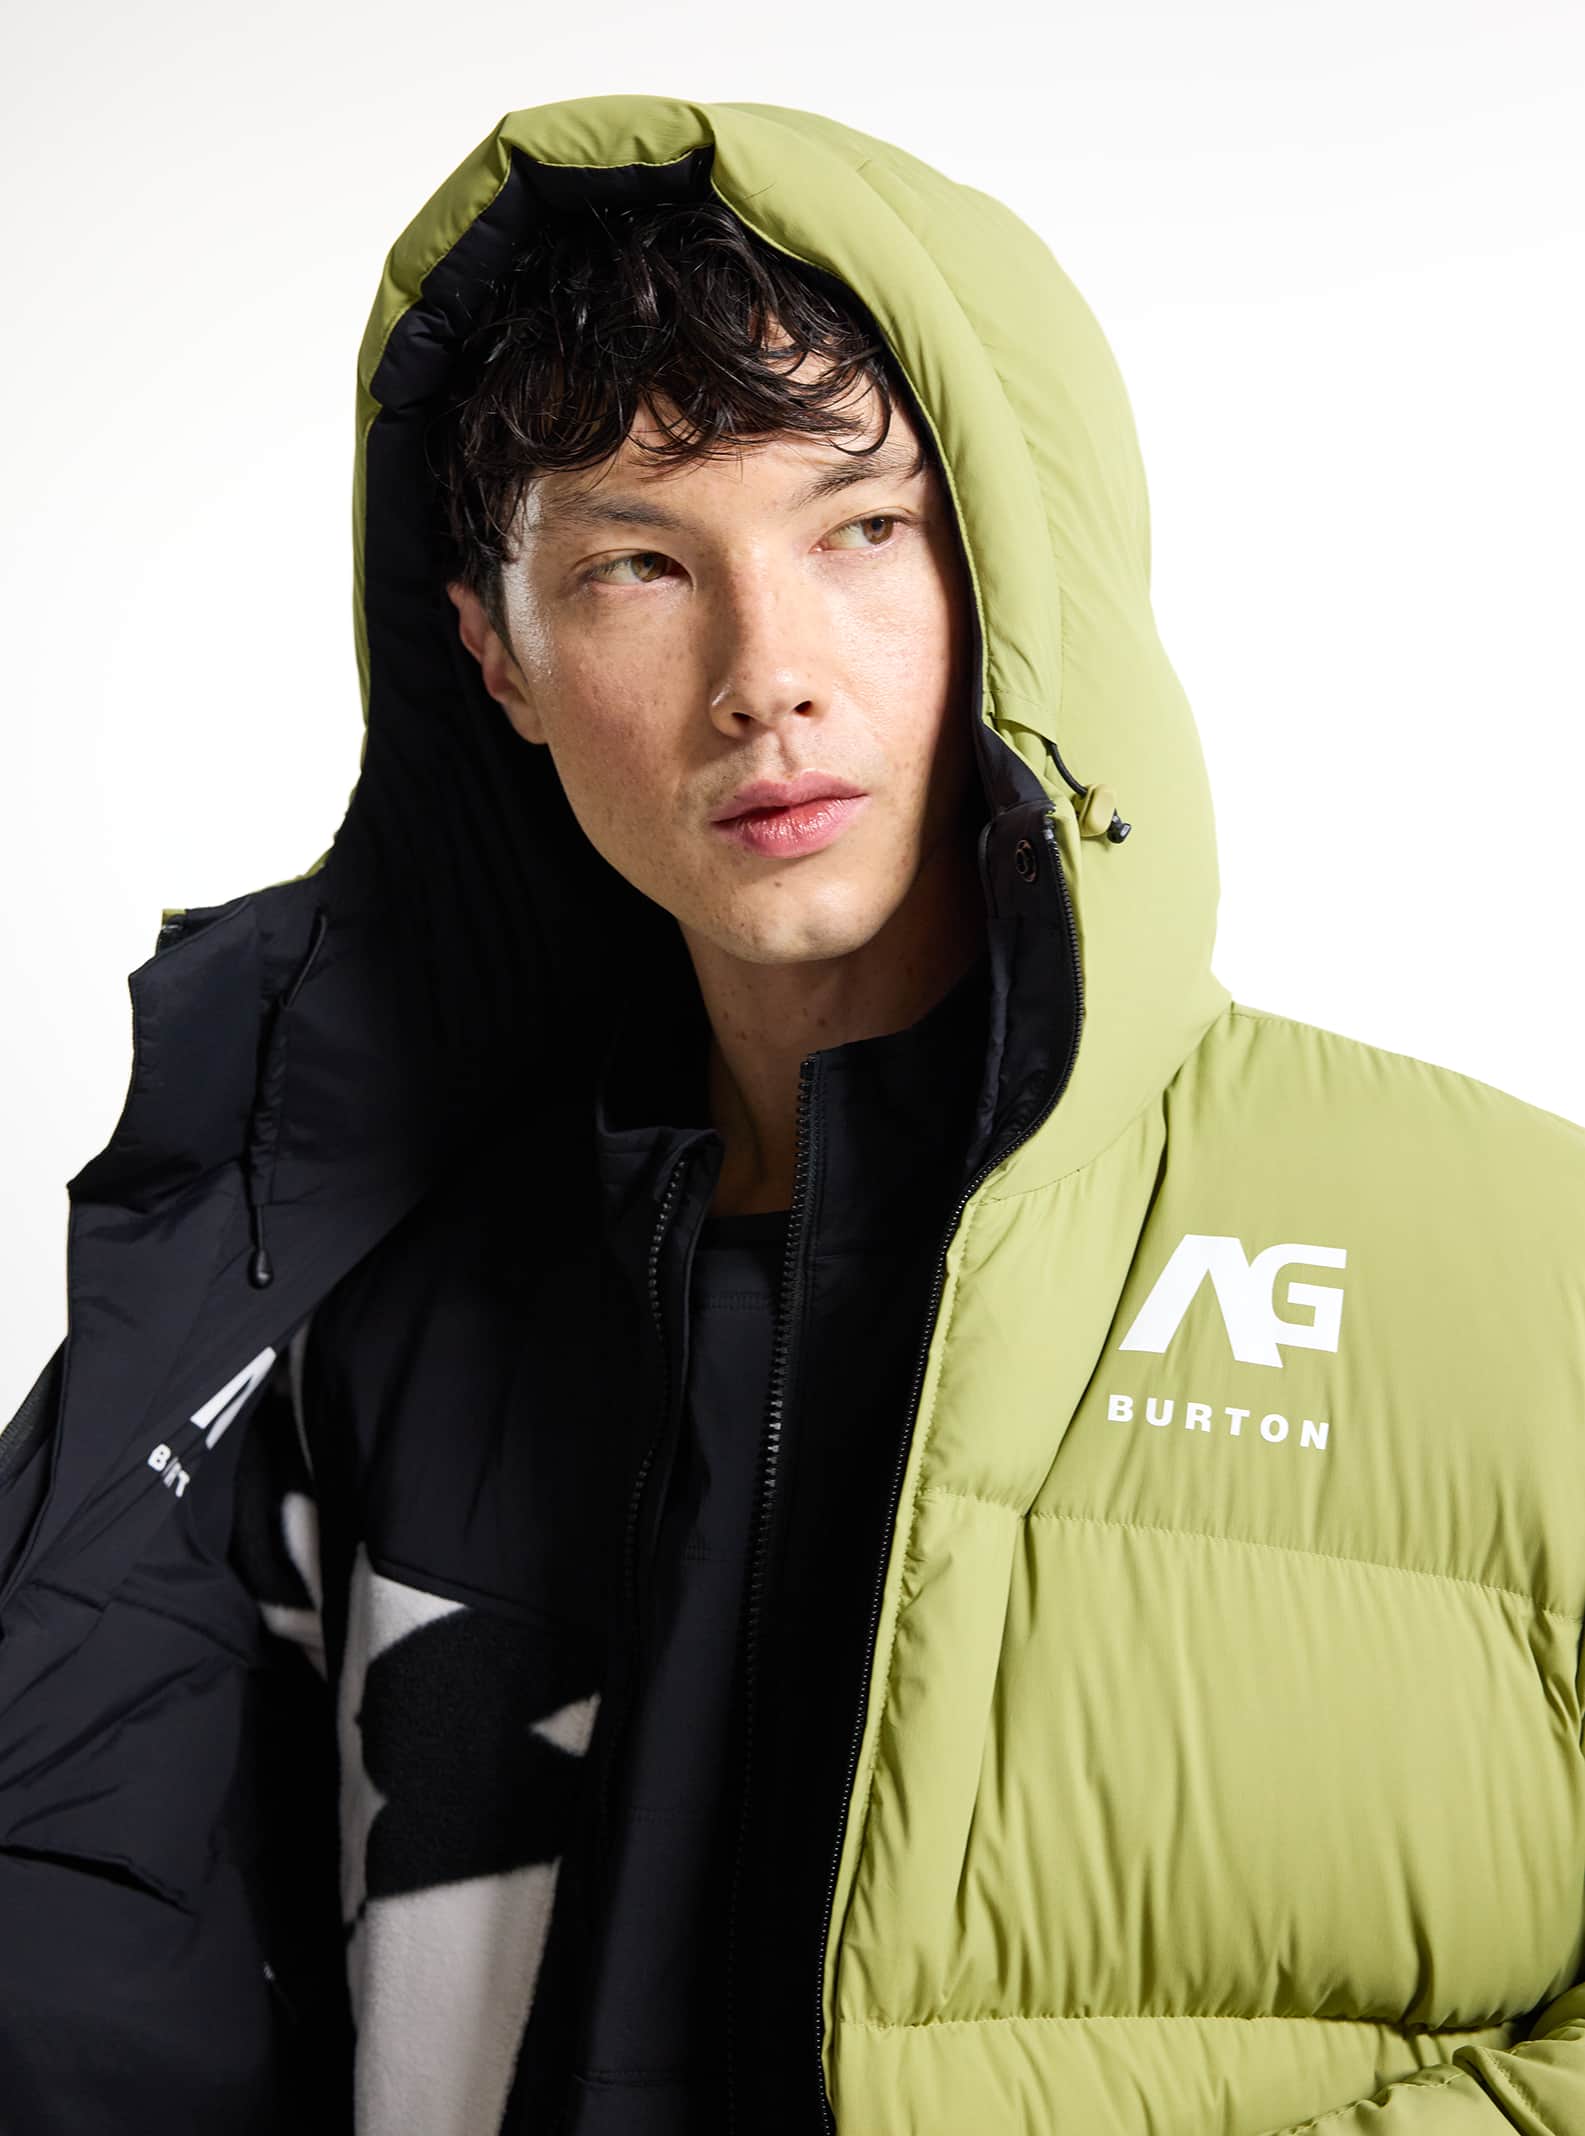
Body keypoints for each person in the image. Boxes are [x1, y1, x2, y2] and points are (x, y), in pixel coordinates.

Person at [1, 92, 1583, 2136]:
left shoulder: (1521, 1264)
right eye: (639, 565)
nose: (768, 676)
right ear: (499, 657)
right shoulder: (335, 1314)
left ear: (1021, 573)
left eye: (862, 531)